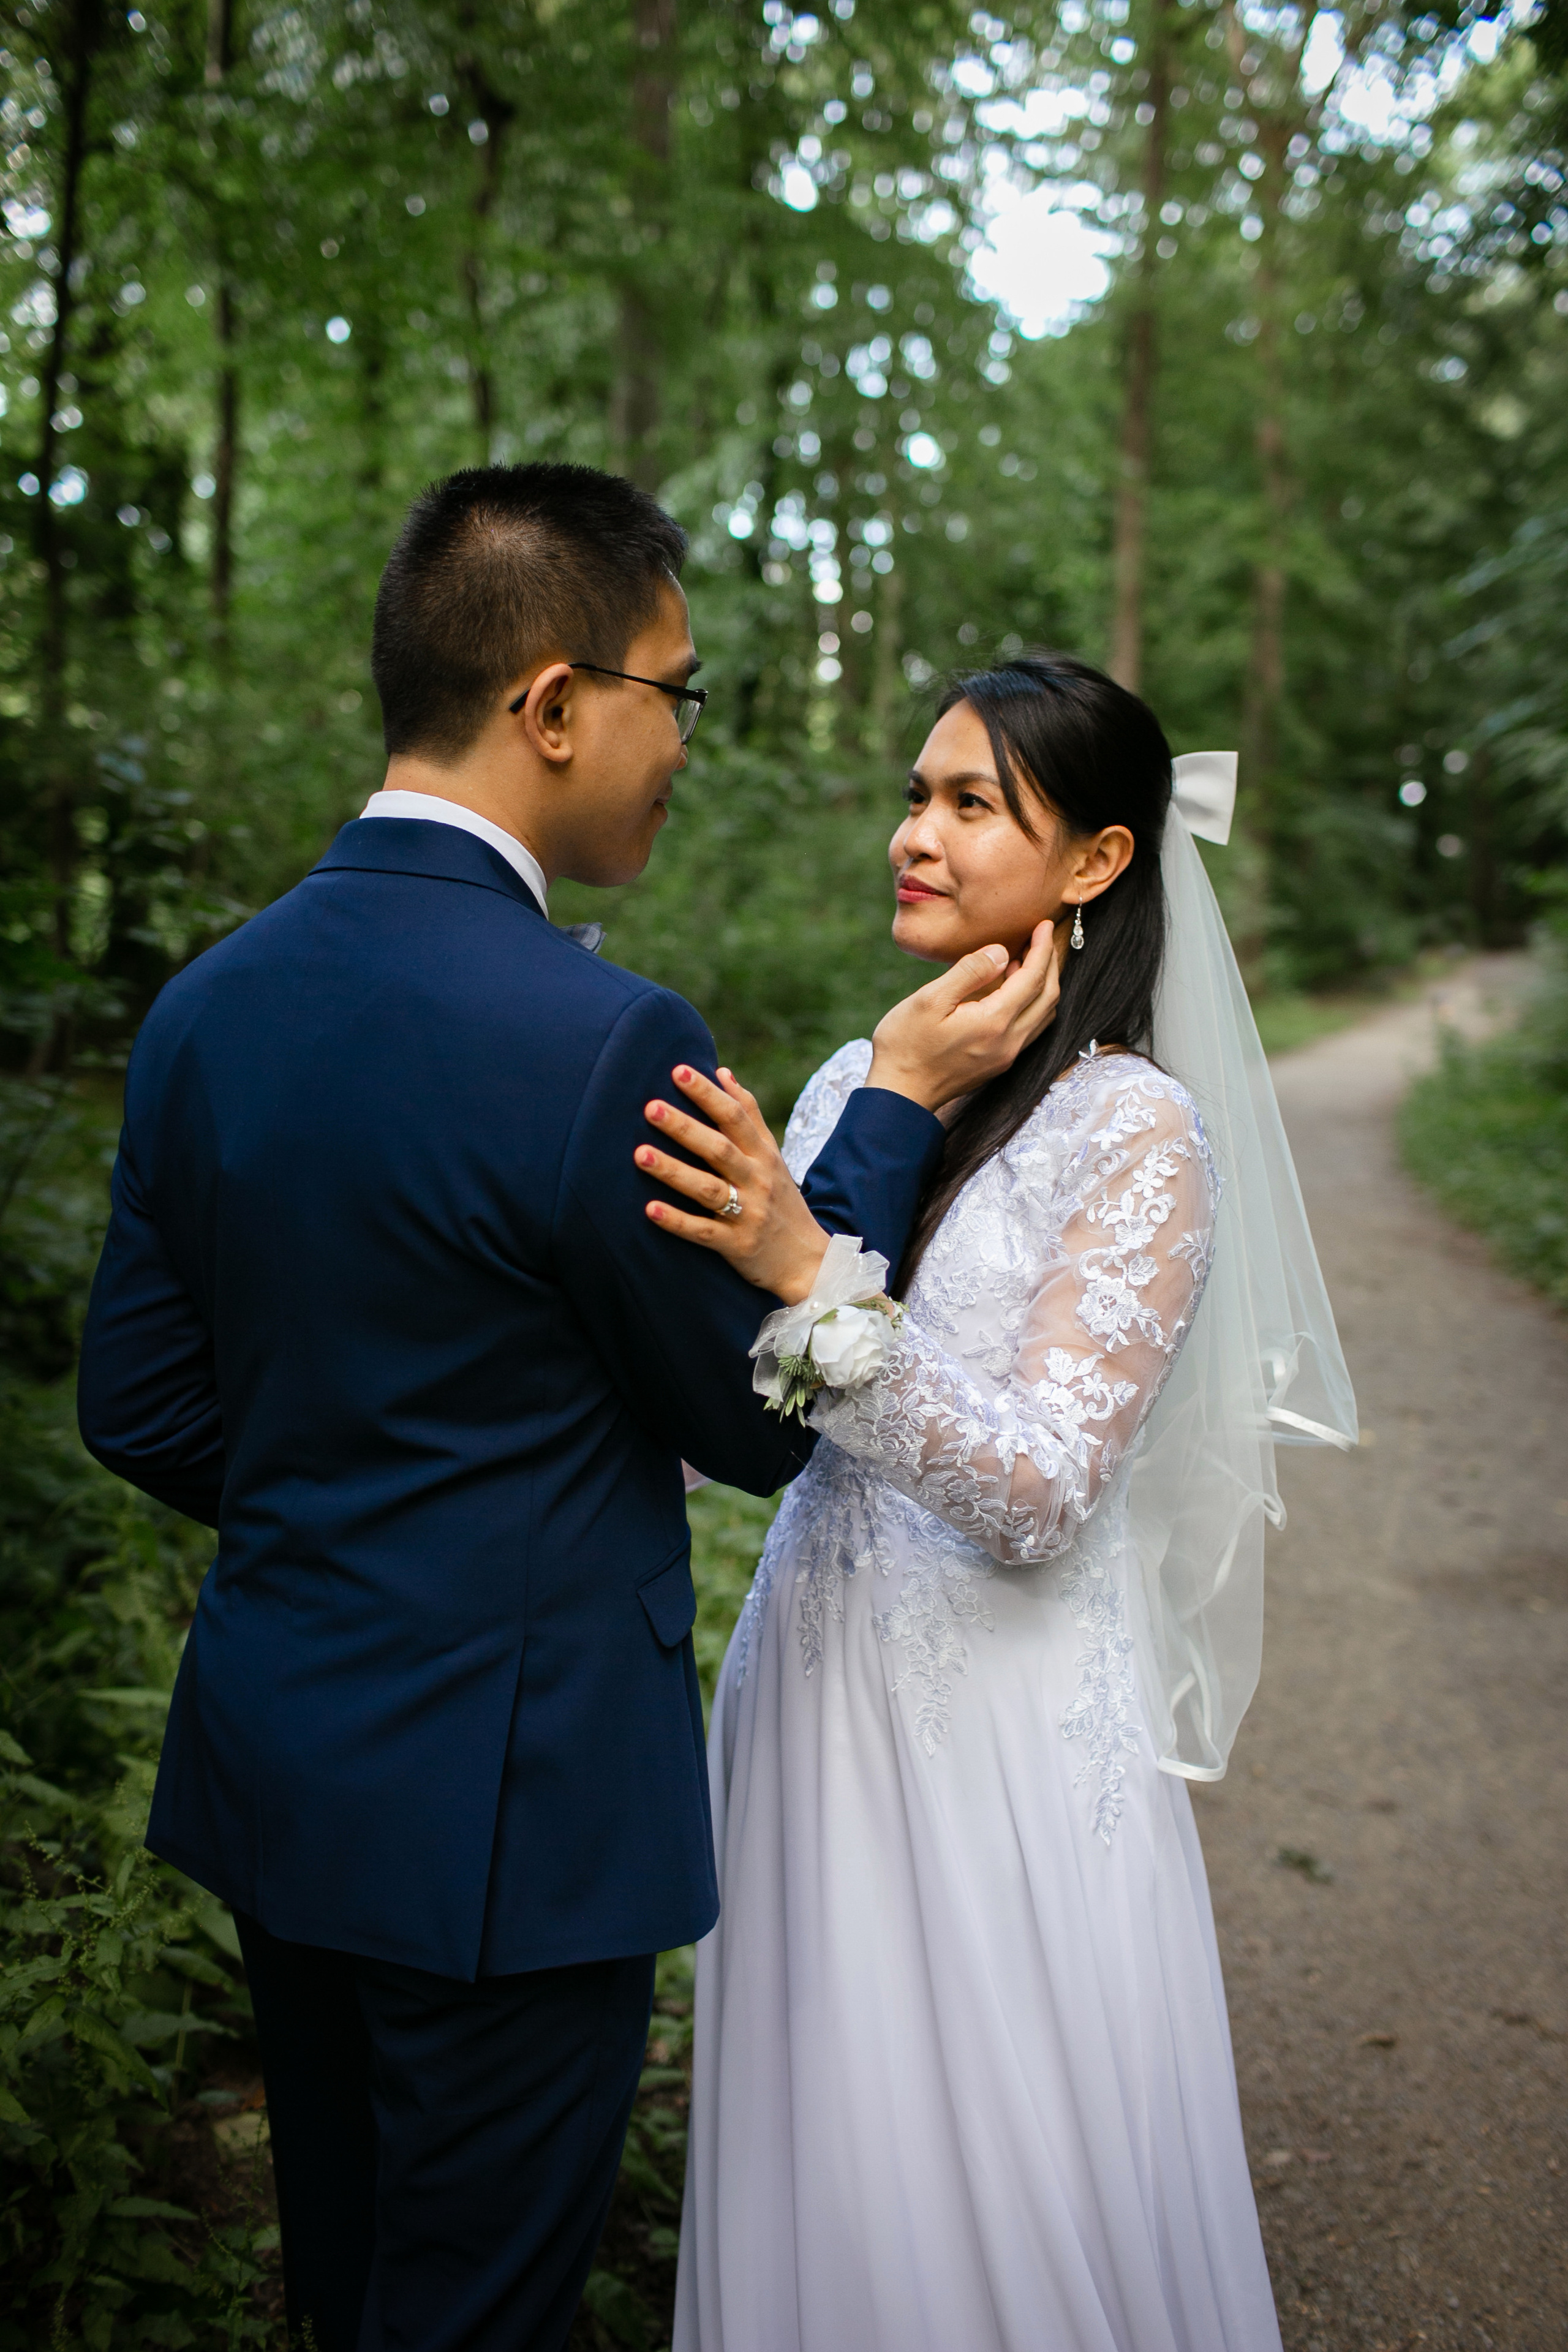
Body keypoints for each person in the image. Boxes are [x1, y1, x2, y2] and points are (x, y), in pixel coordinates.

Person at [75, 466, 1063, 2352]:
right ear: (553, 706)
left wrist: (356, 1521)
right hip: (512, 1821)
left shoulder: (207, 1006)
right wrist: (895, 1112)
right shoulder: (601, 1036)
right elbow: (767, 1411)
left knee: (348, 2279)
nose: (683, 743)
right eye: (672, 694)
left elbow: (139, 1402)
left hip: (285, 1775)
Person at [638, 654, 1357, 2352]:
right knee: (828, 2137)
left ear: (1099, 860)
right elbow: (742, 1408)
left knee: (996, 2159)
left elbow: (1039, 1489)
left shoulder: (1141, 1135)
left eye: (971, 803)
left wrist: (807, 1272)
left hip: (1008, 1729)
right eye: (915, 795)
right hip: (809, 1700)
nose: (916, 834)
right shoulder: (848, 1083)